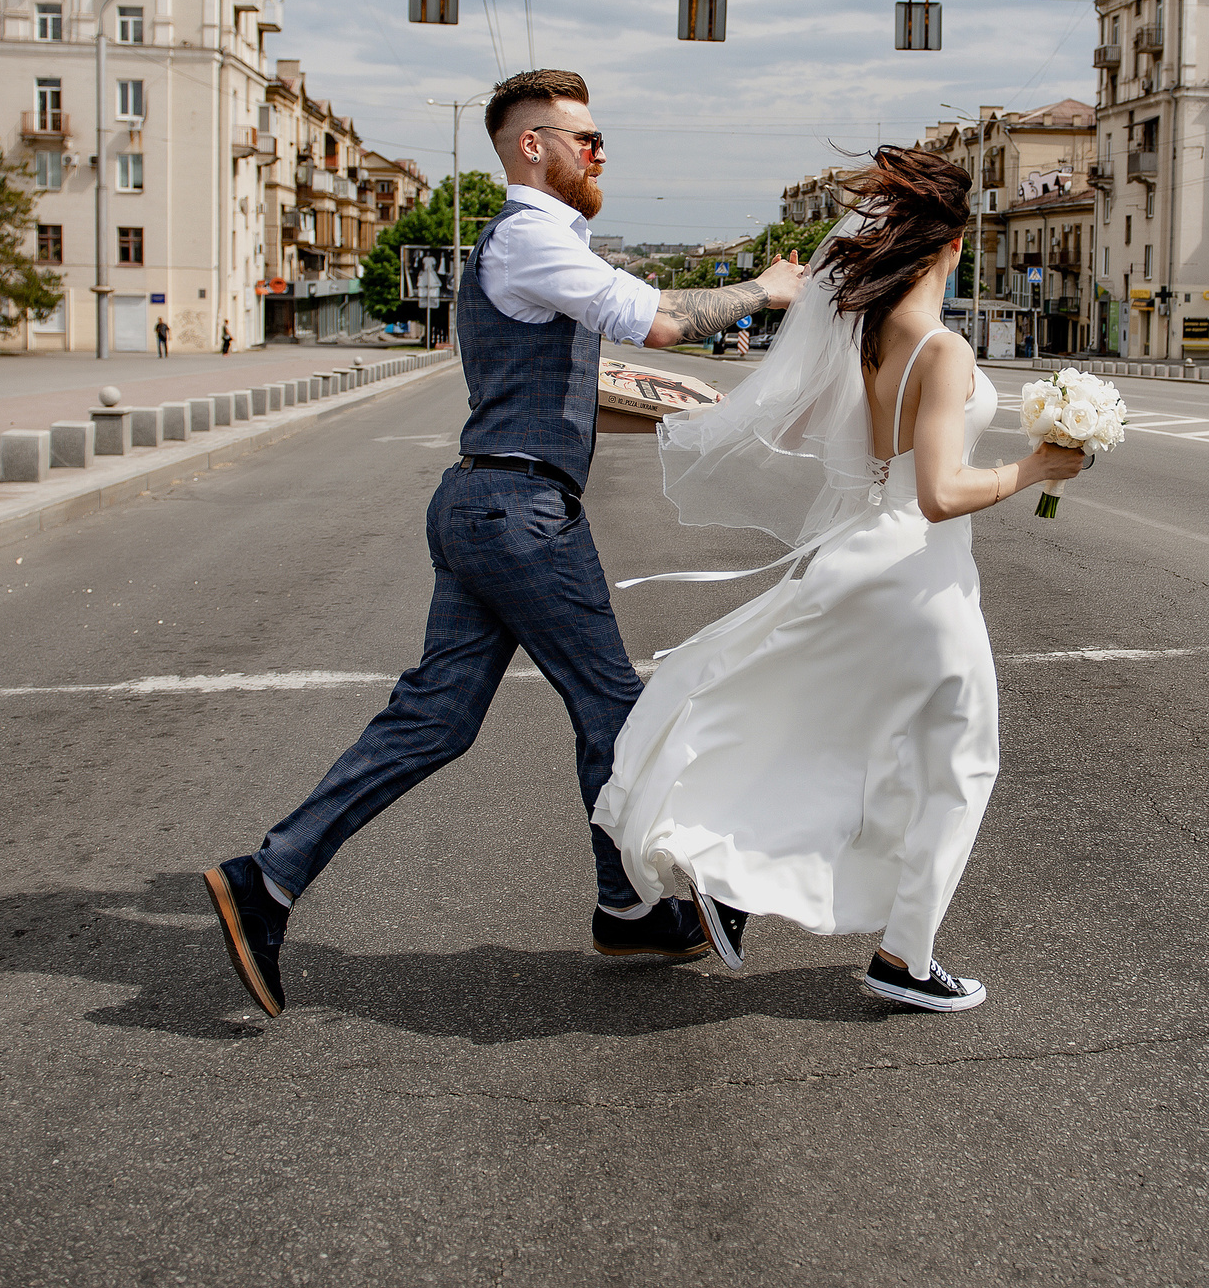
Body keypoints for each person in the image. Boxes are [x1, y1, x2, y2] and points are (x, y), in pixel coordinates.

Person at [202, 69, 809, 1018]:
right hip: (520, 514)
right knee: (616, 710)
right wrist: (765, 289)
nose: (600, 153)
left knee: (435, 721)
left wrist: (693, 417)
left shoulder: (532, 246)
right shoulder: (531, 236)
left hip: (486, 501)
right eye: (586, 138)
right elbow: (658, 320)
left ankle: (267, 879)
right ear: (534, 145)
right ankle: (632, 902)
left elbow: (571, 391)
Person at [596, 147, 1084, 1011]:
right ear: (955, 245)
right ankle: (904, 957)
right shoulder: (943, 349)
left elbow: (822, 438)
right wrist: (1038, 467)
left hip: (862, 551)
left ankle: (731, 880)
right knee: (962, 759)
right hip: (921, 573)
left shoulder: (867, 340)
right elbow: (939, 494)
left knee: (833, 732)